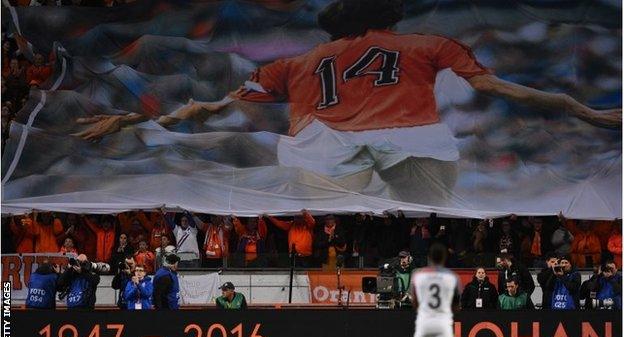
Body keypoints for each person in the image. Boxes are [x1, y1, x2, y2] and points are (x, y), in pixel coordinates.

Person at [74, 0, 621, 208]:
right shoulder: (428, 45)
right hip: (411, 139)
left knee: (332, 204)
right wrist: (588, 111)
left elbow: (208, 108)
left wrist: (132, 118)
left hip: (321, 147)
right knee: (429, 207)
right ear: (390, 19)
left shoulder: (296, 62)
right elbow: (500, 89)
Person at [409, 242, 460, 337]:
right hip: (443, 323)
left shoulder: (418, 276)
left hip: (424, 322)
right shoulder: (452, 277)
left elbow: (415, 303)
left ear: (429, 257)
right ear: (444, 257)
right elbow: (456, 306)